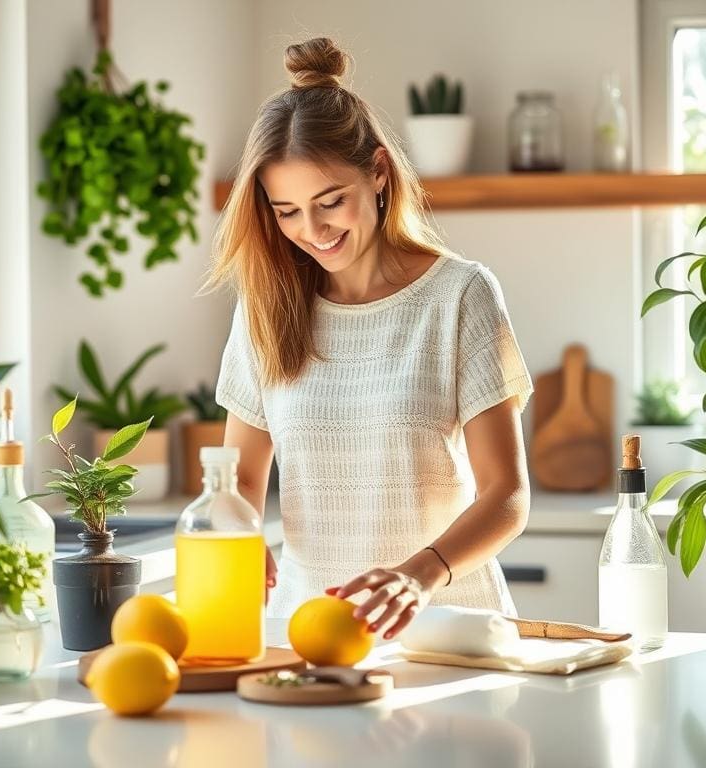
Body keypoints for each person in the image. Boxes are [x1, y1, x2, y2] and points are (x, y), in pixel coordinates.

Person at [203, 37, 533, 641]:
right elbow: (241, 482)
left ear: (378, 174)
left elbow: (507, 495)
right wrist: (239, 533)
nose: (313, 229)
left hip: (446, 632)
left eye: (331, 202)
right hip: (309, 634)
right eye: (287, 210)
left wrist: (417, 576)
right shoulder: (264, 307)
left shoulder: (459, 295)